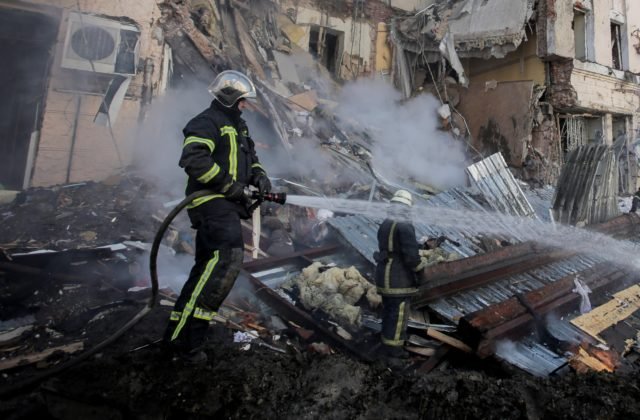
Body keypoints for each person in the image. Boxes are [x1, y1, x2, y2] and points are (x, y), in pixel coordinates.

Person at [164, 70, 271, 362]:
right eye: (242, 100)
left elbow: (252, 161)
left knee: (210, 270)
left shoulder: (240, 128)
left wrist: (260, 177)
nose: (245, 106)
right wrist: (229, 186)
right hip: (212, 203)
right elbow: (194, 159)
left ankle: (183, 338)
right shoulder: (207, 122)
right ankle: (184, 342)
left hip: (227, 206)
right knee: (225, 260)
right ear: (230, 98)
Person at [374, 190, 428, 359]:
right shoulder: (404, 225)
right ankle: (394, 352)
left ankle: (385, 344)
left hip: (384, 275)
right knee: (398, 316)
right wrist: (420, 271)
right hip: (398, 279)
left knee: (389, 313)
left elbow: (391, 247)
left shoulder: (386, 223)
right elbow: (411, 256)